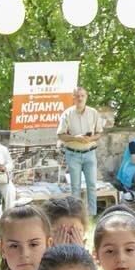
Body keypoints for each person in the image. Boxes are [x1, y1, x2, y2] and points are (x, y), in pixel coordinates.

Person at [56, 87, 103, 216]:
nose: (80, 98)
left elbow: (99, 133)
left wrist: (90, 138)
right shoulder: (67, 114)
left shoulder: (93, 113)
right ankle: (76, 215)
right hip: (73, 154)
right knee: (75, 187)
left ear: (86, 97)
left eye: (82, 96)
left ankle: (92, 214)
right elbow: (60, 135)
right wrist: (75, 138)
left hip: (90, 153)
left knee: (92, 185)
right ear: (73, 98)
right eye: (77, 96)